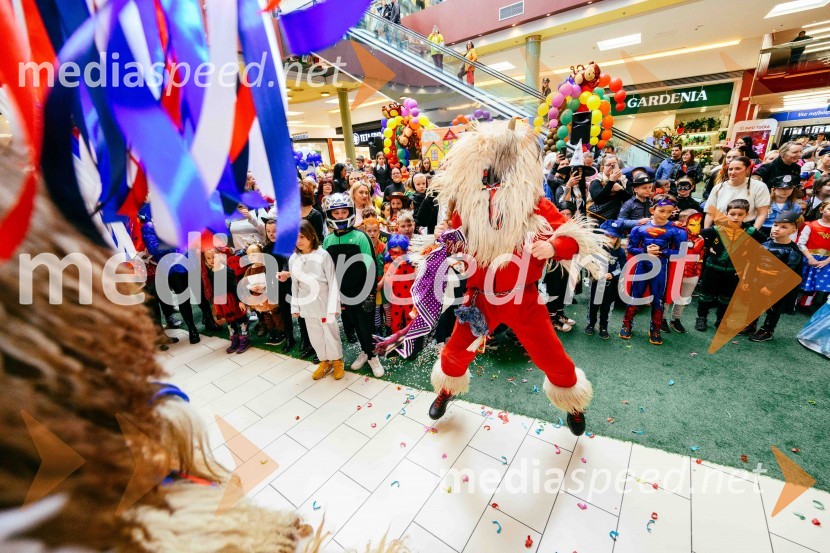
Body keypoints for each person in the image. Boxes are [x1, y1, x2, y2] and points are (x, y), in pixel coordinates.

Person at [419, 119, 606, 436]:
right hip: (480, 300)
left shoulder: (533, 204)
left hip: (524, 300)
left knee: (552, 357)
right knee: (454, 354)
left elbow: (574, 237)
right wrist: (444, 239)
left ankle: (573, 405)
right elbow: (453, 242)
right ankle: (447, 390)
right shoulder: (466, 206)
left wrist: (554, 246)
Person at [322, 193, 385, 377]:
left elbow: (370, 266)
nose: (340, 216)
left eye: (344, 212)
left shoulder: (360, 237)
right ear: (330, 215)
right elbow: (328, 270)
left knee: (367, 326)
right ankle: (365, 351)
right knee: (355, 324)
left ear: (350, 212)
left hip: (363, 292)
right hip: (343, 294)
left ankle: (373, 356)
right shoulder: (328, 240)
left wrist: (370, 294)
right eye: (336, 213)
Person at [619, 194, 687, 345]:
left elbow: (681, 253)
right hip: (642, 266)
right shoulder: (639, 228)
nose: (665, 215)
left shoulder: (677, 231)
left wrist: (663, 252)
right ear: (652, 210)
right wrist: (645, 250)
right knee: (635, 296)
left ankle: (655, 329)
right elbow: (631, 248)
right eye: (661, 211)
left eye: (669, 212)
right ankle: (627, 324)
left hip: (661, 268)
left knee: (658, 299)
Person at [695, 199, 762, 331]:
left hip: (734, 271)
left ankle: (721, 320)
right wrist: (709, 247)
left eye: (740, 214)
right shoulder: (717, 229)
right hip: (712, 268)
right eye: (732, 214)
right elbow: (698, 235)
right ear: (726, 214)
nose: (736, 217)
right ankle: (701, 317)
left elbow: (764, 244)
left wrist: (749, 252)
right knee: (706, 295)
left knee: (727, 297)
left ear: (747, 215)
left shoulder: (751, 231)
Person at [290, 220, 344, 380]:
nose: (298, 241)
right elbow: (294, 284)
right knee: (315, 335)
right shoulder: (293, 258)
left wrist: (334, 305)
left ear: (312, 236)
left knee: (330, 332)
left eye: (302, 237)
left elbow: (332, 280)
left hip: (324, 300)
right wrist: (295, 307)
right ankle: (324, 361)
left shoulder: (323, 255)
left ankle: (337, 361)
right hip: (307, 302)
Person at [746, 211, 804, 342]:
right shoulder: (765, 244)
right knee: (754, 304)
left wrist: (771, 287)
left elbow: (787, 273)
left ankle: (767, 330)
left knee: (774, 308)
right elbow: (754, 264)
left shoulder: (793, 251)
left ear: (793, 230)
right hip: (758, 281)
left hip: (776, 287)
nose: (777, 229)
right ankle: (751, 324)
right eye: (775, 225)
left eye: (784, 227)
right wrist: (748, 280)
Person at [585, 220, 627, 339]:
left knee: (607, 306)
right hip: (596, 282)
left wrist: (613, 274)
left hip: (611, 285)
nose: (609, 239)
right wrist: (594, 271)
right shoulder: (596, 248)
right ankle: (591, 323)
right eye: (607, 236)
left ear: (618, 238)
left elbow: (623, 268)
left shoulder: (620, 252)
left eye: (613, 237)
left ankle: (603, 326)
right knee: (593, 304)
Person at [203, 248, 249, 354]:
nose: (211, 260)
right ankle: (235, 338)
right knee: (229, 320)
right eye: (208, 258)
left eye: (213, 257)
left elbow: (234, 287)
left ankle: (245, 338)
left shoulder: (227, 271)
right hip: (221, 300)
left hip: (231, 299)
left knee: (240, 318)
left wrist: (240, 301)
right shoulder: (211, 272)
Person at [665, 211, 704, 333]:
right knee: (668, 296)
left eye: (699, 224)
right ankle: (661, 319)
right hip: (675, 271)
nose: (696, 227)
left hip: (692, 273)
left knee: (683, 298)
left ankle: (675, 319)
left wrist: (698, 273)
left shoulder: (701, 239)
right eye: (692, 224)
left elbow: (699, 252)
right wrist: (672, 224)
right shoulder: (674, 234)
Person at [705, 156, 770, 230]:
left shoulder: (759, 186)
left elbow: (762, 213)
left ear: (747, 170)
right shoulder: (718, 187)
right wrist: (706, 232)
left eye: (738, 169)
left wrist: (753, 231)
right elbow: (710, 213)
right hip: (720, 228)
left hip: (746, 228)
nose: (733, 172)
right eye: (730, 169)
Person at [798, 200, 830, 297]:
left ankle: (808, 303)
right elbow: (801, 243)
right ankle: (796, 302)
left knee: (818, 288)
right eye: (829, 209)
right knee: (802, 285)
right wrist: (810, 258)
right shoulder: (811, 225)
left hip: (827, 262)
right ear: (821, 210)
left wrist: (827, 261)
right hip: (809, 259)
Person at [587, 154, 630, 222]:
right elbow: (598, 199)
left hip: (618, 219)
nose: (611, 167)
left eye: (614, 165)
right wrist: (611, 182)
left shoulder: (624, 180)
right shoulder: (597, 181)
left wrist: (620, 189)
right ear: (602, 168)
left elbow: (630, 200)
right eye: (608, 165)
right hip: (596, 218)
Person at [760, 175, 802, 240]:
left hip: (784, 235)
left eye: (789, 188)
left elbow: (795, 226)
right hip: (762, 233)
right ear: (773, 189)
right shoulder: (763, 204)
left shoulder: (796, 207)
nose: (786, 191)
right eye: (782, 188)